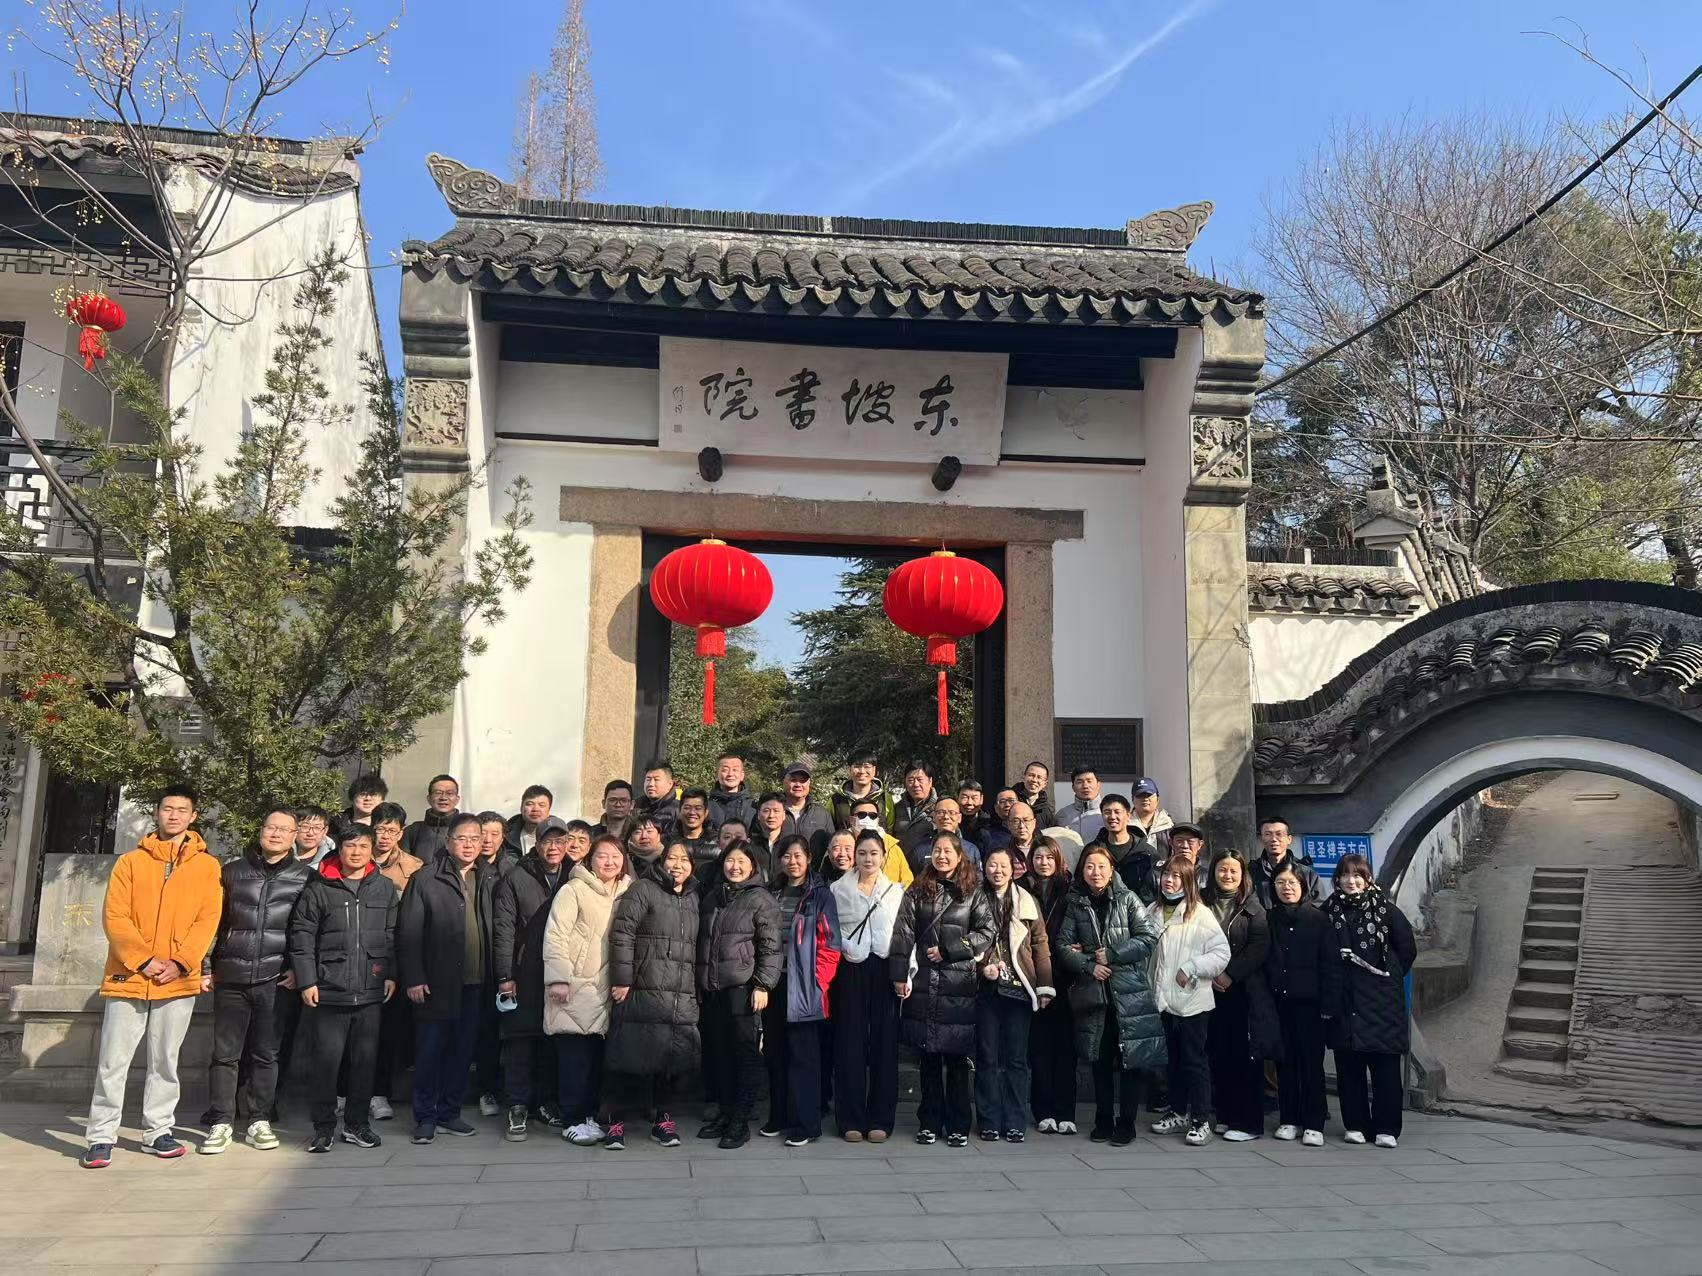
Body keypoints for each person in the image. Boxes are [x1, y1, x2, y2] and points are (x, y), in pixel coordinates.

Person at [81, 787, 222, 1169]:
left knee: (165, 1061)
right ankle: (101, 1135)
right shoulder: (130, 862)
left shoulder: (207, 866)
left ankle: (158, 1130)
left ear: (193, 816)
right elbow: (115, 915)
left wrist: (182, 961)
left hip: (177, 978)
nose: (174, 815)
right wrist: (142, 960)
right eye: (168, 808)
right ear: (156, 813)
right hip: (128, 976)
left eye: (182, 810)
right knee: (113, 1061)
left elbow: (208, 919)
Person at [201, 804, 309, 1155]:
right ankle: (221, 1120)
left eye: (284, 829)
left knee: (266, 1054)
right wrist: (205, 966)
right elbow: (212, 923)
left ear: (294, 837)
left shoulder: (305, 877)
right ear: (260, 831)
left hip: (275, 979)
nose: (276, 834)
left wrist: (298, 968)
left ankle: (259, 1118)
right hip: (231, 975)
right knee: (225, 1054)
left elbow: (307, 930)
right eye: (270, 827)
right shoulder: (232, 872)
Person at [289, 824, 398, 1153]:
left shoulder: (384, 887)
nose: (356, 852)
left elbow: (392, 934)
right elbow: (302, 936)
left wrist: (390, 973)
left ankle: (356, 1124)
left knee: (364, 1062)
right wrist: (307, 980)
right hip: (329, 988)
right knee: (326, 1063)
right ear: (339, 848)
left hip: (371, 988)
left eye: (363, 846)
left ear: (371, 849)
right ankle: (323, 1127)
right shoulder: (319, 887)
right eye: (350, 845)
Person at [890, 832, 994, 1148]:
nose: (942, 856)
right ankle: (929, 1122)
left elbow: (986, 932)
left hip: (959, 984)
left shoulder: (973, 891)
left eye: (948, 851)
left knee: (958, 1061)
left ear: (960, 855)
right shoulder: (917, 889)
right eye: (937, 850)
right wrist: (899, 975)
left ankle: (959, 1123)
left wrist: (950, 949)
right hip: (923, 982)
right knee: (929, 1059)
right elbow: (902, 933)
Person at [1056, 844, 1162, 1146]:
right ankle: (1103, 1120)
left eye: (1102, 866)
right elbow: (1062, 946)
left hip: (1129, 992)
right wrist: (1089, 965)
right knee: (1099, 1058)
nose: (1096, 872)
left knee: (1130, 1059)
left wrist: (1113, 954)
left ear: (1112, 869)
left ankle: (1126, 1123)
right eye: (1090, 866)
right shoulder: (1076, 903)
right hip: (1096, 993)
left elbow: (1148, 938)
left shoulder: (1128, 899)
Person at [397, 812, 489, 1144]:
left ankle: (450, 1113)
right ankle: (425, 1117)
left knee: (461, 1053)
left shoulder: (487, 877)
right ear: (448, 842)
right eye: (462, 838)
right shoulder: (425, 879)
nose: (469, 845)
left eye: (475, 839)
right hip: (435, 982)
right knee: (430, 1053)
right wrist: (414, 977)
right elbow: (408, 932)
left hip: (475, 982)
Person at [606, 841, 700, 1148]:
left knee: (670, 1060)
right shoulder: (643, 889)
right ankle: (616, 1121)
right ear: (661, 862)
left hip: (679, 992)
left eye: (684, 859)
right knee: (628, 1056)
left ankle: (663, 1120)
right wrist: (622, 979)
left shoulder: (693, 897)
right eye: (672, 857)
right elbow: (623, 932)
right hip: (642, 986)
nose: (677, 864)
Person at [542, 834, 632, 1147]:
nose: (609, 862)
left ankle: (590, 1116)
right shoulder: (574, 889)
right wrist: (558, 978)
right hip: (577, 985)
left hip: (609, 988)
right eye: (602, 855)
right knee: (574, 1057)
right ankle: (571, 1119)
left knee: (596, 1059)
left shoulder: (628, 891)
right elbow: (556, 935)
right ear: (590, 859)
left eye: (616, 856)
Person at [1323, 853, 1415, 1149]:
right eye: (1345, 875)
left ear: (1368, 879)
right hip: (1344, 999)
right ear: (1337, 879)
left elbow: (1407, 950)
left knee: (1385, 1067)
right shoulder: (1328, 911)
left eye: (1357, 875)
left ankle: (1387, 1127)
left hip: (1381, 1001)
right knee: (1349, 1067)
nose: (1351, 881)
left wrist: (1386, 977)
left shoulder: (1386, 910)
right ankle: (1356, 1124)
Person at [492, 815, 574, 1141]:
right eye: (547, 841)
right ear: (536, 844)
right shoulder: (516, 877)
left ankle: (545, 1102)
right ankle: (517, 1104)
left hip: (561, 974)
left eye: (559, 841)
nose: (553, 848)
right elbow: (503, 929)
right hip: (525, 973)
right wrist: (505, 975)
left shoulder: (575, 875)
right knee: (520, 1041)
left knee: (552, 1042)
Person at [696, 840, 782, 1149]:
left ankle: (741, 1119)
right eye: (730, 861)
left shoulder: (760, 898)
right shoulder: (713, 897)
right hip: (713, 987)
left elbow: (771, 945)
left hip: (743, 987)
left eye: (741, 862)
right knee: (719, 1054)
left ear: (752, 866)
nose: (734, 867)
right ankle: (726, 1111)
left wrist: (763, 984)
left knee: (744, 1054)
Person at [762, 834, 841, 1146]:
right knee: (775, 1052)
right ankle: (778, 1116)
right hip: (773, 982)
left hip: (805, 984)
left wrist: (820, 982)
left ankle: (805, 1123)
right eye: (786, 856)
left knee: (803, 1056)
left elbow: (831, 944)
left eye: (798, 855)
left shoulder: (821, 895)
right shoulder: (770, 892)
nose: (792, 861)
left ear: (809, 858)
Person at [1147, 863, 1230, 1146]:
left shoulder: (1200, 913)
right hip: (1162, 1000)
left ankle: (1201, 1119)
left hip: (1192, 1000)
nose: (1169, 881)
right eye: (1166, 876)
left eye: (1176, 877)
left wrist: (1192, 967)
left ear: (1188, 882)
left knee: (1194, 1061)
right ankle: (1178, 1111)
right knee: (1172, 1061)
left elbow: (1221, 953)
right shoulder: (1153, 910)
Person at [974, 846, 1052, 1143]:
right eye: (992, 864)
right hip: (986, 988)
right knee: (987, 1057)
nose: (998, 870)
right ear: (984, 868)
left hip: (1019, 987)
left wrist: (1044, 985)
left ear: (1013, 869)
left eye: (1003, 865)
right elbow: (965, 939)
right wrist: (982, 966)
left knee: (1016, 1058)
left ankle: (1015, 1120)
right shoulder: (974, 897)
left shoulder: (1026, 900)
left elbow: (1040, 945)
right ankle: (989, 1120)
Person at [831, 830, 903, 1143]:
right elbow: (829, 931)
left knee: (885, 1044)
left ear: (884, 857)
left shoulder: (895, 891)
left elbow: (904, 935)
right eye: (862, 853)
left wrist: (904, 974)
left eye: (874, 853)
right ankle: (850, 1117)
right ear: (854, 856)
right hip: (849, 969)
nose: (868, 859)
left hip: (885, 969)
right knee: (850, 1042)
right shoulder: (837, 889)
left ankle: (881, 1118)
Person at [1203, 851, 1279, 1142]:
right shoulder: (1202, 902)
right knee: (1218, 1053)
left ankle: (1249, 1123)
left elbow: (1258, 948)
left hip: (1243, 991)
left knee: (1244, 1056)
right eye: (1222, 869)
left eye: (1234, 870)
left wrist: (1230, 974)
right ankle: (1225, 1114)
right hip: (1209, 988)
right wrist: (1210, 973)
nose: (1228, 875)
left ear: (1242, 875)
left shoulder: (1252, 907)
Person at [1266, 859, 1335, 1146]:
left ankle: (1314, 1122)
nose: (1286, 888)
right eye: (1280, 883)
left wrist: (1328, 1006)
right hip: (1279, 1002)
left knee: (1311, 1064)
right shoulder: (1270, 919)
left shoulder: (1318, 920)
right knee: (1285, 1063)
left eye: (1292, 883)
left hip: (1310, 1004)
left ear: (1303, 886)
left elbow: (1330, 965)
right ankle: (1289, 1119)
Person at [366, 802, 421, 1119]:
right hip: (355, 955)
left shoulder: (414, 867)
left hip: (393, 956)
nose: (385, 836)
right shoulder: (355, 857)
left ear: (401, 833)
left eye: (392, 830)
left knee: (386, 1032)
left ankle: (379, 1093)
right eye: (380, 829)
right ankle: (343, 1092)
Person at [1024, 837, 1077, 1134]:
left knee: (1065, 1047)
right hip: (1031, 976)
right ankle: (1043, 1111)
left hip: (1065, 977)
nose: (1043, 862)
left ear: (1058, 860)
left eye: (1049, 857)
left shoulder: (1070, 890)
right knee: (1039, 1047)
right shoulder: (1021, 889)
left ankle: (1066, 1111)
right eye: (1038, 857)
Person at [473, 810, 518, 1117]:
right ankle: (484, 1089)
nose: (487, 840)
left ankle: (507, 1092)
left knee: (506, 1030)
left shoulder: (512, 868)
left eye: (494, 834)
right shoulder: (464, 868)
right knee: (479, 1030)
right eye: (482, 834)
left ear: (504, 837)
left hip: (505, 960)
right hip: (473, 958)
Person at [1250, 816, 1319, 907]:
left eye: (1279, 834)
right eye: (1268, 834)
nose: (1274, 839)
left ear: (1289, 839)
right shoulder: (1251, 871)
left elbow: (1318, 904)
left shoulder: (1306, 872)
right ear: (1261, 839)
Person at [847, 797, 915, 886]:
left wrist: (896, 893)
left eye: (872, 816)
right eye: (861, 815)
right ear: (851, 819)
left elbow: (907, 880)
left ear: (877, 820)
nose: (867, 819)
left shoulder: (892, 846)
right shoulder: (842, 845)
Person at [779, 761, 833, 858]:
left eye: (802, 781)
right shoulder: (772, 812)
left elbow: (831, 846)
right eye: (793, 780)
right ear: (783, 781)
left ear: (809, 784)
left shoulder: (822, 814)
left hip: (813, 867)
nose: (798, 784)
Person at [830, 752, 896, 831]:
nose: (862, 771)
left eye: (867, 766)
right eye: (857, 766)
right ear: (850, 769)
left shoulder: (885, 799)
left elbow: (890, 830)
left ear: (874, 770)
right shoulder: (836, 800)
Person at [402, 775, 461, 860]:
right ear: (429, 798)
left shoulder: (465, 831)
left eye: (449, 793)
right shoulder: (412, 831)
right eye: (438, 793)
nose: (443, 798)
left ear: (457, 799)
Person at [892, 760, 940, 862]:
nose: (915, 784)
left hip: (929, 864)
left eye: (920, 779)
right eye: (911, 780)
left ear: (930, 781)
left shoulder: (940, 807)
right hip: (901, 865)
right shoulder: (897, 808)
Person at [707, 752, 757, 832]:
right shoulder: (706, 806)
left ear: (742, 775)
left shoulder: (753, 807)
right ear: (716, 775)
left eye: (735, 770)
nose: (730, 774)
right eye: (725, 770)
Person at [1161, 823, 1214, 895]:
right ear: (1171, 842)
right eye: (1179, 841)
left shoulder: (1208, 876)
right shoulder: (1159, 872)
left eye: (1190, 842)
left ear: (1200, 845)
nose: (1185, 846)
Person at [1055, 768, 1105, 844]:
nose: (1085, 786)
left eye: (1089, 781)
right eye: (1079, 782)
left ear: (1098, 785)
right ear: (1073, 787)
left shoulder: (1108, 813)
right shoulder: (1063, 815)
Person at [1129, 778, 1174, 859]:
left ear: (1158, 799)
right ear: (1132, 799)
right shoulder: (1124, 826)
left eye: (1149, 795)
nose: (1145, 799)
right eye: (1140, 795)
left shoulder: (1169, 826)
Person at [675, 788, 718, 869]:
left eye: (698, 808)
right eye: (687, 807)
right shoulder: (668, 841)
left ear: (706, 813)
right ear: (679, 811)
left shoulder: (717, 842)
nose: (692, 812)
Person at [638, 759, 681, 839]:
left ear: (670, 784)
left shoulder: (678, 810)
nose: (651, 784)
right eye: (648, 779)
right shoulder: (637, 806)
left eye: (656, 780)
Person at [505, 785, 554, 856]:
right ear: (521, 808)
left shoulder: (561, 835)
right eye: (530, 804)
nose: (535, 809)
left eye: (541, 805)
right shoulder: (505, 835)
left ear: (549, 810)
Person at [751, 792, 788, 879]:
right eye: (766, 811)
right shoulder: (750, 845)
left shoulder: (790, 844)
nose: (771, 816)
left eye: (776, 811)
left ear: (784, 815)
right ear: (758, 815)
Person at [1013, 760, 1055, 827]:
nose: (1034, 780)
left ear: (1045, 783)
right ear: (1024, 776)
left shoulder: (1046, 810)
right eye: (1031, 775)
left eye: (1039, 777)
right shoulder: (1011, 801)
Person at [1005, 803, 1040, 878]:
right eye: (1016, 821)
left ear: (1034, 823)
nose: (1021, 826)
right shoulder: (1004, 853)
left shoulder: (1047, 847)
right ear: (1009, 824)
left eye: (1026, 820)